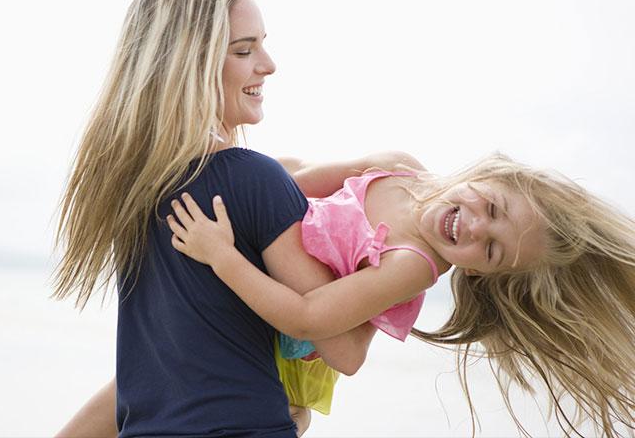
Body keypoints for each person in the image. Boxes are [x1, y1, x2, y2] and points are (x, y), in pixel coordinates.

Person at [52, 0, 399, 437]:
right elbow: (345, 351)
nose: (268, 64)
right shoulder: (253, 180)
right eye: (243, 50)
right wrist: (392, 267)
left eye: (262, 44)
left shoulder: (134, 190)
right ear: (189, 66)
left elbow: (156, 370)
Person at [166, 153, 635, 438]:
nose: (473, 226)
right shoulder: (398, 166)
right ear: (492, 172)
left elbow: (311, 320)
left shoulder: (413, 262)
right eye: (491, 206)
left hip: (291, 348)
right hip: (264, 291)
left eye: (491, 248)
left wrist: (223, 256)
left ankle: (293, 414)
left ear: (483, 273)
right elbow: (291, 181)